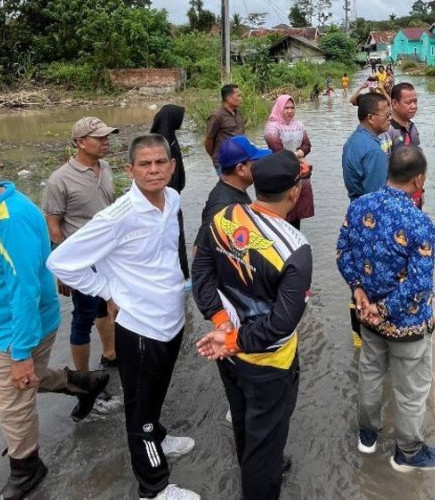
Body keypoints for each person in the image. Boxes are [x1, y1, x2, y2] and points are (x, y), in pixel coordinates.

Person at [47, 135, 199, 500]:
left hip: (171, 317)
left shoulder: (172, 199)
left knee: (155, 393)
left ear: (172, 166)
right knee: (140, 408)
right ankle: (154, 487)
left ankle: (158, 436)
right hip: (140, 326)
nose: (154, 170)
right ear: (129, 170)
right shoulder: (118, 216)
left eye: (161, 162)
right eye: (144, 164)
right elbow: (61, 262)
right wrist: (109, 292)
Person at [0, 158, 109, 500]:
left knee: (12, 401)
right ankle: (83, 383)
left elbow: (24, 290)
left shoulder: (9, 222)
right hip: (0, 326)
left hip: (15, 331)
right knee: (22, 380)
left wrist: (21, 352)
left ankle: (26, 468)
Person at [192, 150, 312, 500]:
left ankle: (256, 463)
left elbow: (201, 273)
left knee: (245, 420)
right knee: (266, 441)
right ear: (294, 192)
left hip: (228, 353)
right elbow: (280, 324)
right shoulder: (295, 249)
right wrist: (232, 340)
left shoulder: (225, 217)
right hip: (268, 364)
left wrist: (221, 326)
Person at [336, 145, 435, 473]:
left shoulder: (359, 207)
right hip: (406, 326)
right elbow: (419, 286)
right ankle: (407, 452)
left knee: (370, 374)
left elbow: (343, 252)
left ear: (388, 171)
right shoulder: (419, 222)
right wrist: (384, 310)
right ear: (419, 179)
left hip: (367, 318)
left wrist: (360, 294)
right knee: (411, 389)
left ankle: (367, 437)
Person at [42, 116, 118, 421]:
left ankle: (110, 355)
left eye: (106, 136)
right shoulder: (59, 179)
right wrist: (61, 268)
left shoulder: (106, 168)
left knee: (108, 306)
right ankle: (85, 381)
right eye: (99, 137)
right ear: (79, 142)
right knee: (83, 317)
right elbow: (53, 226)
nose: (105, 141)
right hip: (82, 261)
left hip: (108, 257)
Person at [342, 92, 392, 348]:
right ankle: (368, 330)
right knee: (371, 276)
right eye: (386, 115)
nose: (389, 120)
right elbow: (377, 198)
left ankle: (357, 331)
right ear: (371, 118)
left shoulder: (354, 141)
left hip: (356, 211)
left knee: (359, 274)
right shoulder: (372, 150)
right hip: (370, 221)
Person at [193, 135, 271, 254]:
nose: (260, 165)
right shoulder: (221, 206)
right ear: (240, 169)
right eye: (255, 162)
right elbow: (198, 250)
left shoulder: (235, 190)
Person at [150, 104, 190, 281]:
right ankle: (178, 276)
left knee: (175, 235)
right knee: (173, 237)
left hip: (172, 196)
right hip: (164, 199)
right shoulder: (161, 144)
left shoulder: (169, 137)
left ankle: (179, 274)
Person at [264, 95, 313, 229]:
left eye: (292, 108)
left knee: (297, 209)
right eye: (286, 108)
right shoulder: (272, 127)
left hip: (298, 170)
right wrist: (297, 155)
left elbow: (307, 145)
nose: (290, 111)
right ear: (279, 108)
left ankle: (294, 240)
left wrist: (300, 153)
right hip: (281, 171)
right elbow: (277, 149)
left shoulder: (299, 125)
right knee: (282, 208)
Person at [386, 82, 423, 208]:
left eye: (415, 102)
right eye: (408, 103)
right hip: (396, 199)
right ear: (394, 104)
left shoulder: (412, 126)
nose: (414, 106)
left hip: (415, 195)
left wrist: (421, 191)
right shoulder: (388, 131)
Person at [204, 84, 245, 175]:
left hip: (239, 160)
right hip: (223, 162)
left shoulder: (239, 113)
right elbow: (208, 140)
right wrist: (215, 157)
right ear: (229, 98)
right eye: (238, 96)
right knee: (228, 187)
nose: (241, 98)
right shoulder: (217, 116)